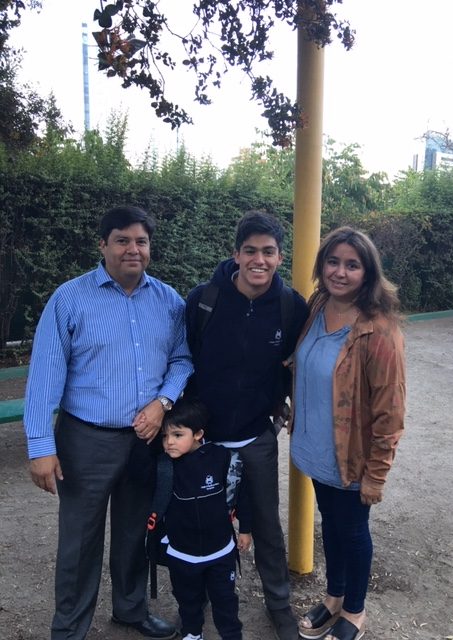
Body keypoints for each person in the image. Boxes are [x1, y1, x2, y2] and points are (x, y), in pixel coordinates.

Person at [23, 205, 193, 640]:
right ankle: (69, 628)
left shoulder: (169, 301)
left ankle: (131, 609)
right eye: (122, 240)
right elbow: (44, 375)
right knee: (80, 539)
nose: (133, 249)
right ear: (102, 245)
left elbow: (182, 359)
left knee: (135, 531)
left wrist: (162, 402)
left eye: (141, 241)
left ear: (149, 247)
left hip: (145, 440)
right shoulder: (70, 299)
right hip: (86, 440)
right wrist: (41, 447)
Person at [185, 210, 309, 640]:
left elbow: (295, 362)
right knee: (202, 519)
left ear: (280, 257)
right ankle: (198, 599)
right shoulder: (204, 300)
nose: (259, 260)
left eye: (268, 252)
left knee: (267, 527)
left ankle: (279, 604)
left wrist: (287, 401)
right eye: (251, 251)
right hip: (206, 436)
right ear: (235, 254)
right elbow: (184, 359)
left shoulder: (291, 307)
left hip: (257, 434)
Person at [290, 226, 406, 640]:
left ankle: (354, 611)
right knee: (331, 524)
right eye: (333, 262)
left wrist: (376, 474)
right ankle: (334, 596)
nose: (340, 272)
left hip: (351, 457)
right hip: (316, 448)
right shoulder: (317, 304)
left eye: (352, 265)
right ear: (322, 265)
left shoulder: (380, 330)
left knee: (353, 531)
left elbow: (391, 412)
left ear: (368, 272)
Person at [160, 398, 252, 640]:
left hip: (220, 551)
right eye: (165, 436)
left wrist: (245, 528)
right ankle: (192, 633)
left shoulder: (222, 457)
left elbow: (242, 493)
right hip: (181, 554)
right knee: (187, 600)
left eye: (178, 435)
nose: (169, 442)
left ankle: (231, 635)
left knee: (225, 601)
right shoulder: (163, 466)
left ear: (198, 434)